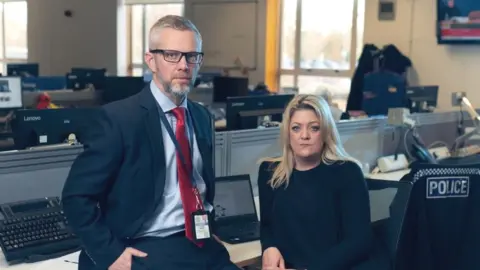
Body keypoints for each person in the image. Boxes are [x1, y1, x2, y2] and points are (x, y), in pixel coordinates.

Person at [62, 15, 239, 270]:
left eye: (192, 56)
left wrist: (208, 228)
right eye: (171, 55)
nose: (183, 65)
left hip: (198, 244)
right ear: (151, 61)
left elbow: (198, 184)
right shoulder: (119, 119)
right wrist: (110, 253)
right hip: (143, 245)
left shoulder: (201, 116)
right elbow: (76, 197)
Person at [258, 94, 373, 270]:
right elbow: (267, 226)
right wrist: (269, 247)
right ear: (287, 132)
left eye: (314, 128)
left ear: (326, 132)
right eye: (296, 128)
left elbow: (359, 242)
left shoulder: (347, 172)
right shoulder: (270, 172)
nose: (304, 136)